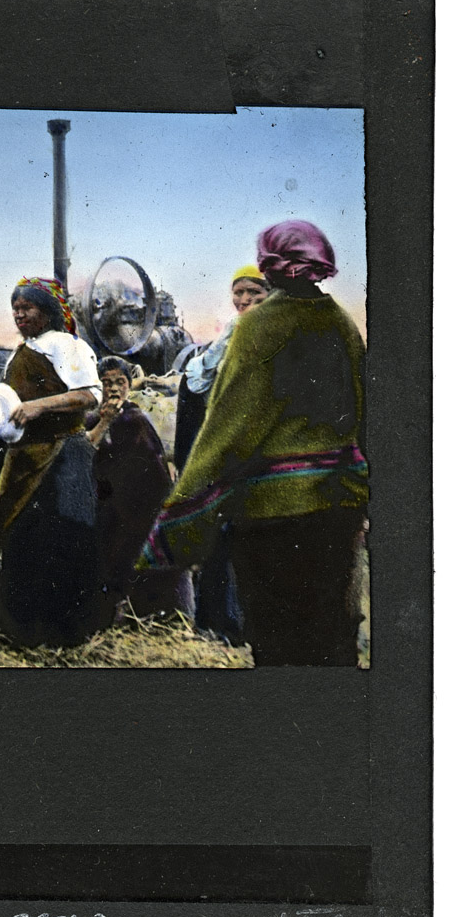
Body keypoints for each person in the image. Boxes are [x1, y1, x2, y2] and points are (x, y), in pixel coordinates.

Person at [141, 221, 368, 666]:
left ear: (269, 266)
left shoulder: (260, 327)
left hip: (275, 519)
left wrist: (179, 520)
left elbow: (229, 429)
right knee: (331, 637)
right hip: (339, 510)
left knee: (279, 641)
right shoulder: (341, 323)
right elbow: (362, 412)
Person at [0, 277, 102, 646]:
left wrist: (38, 407)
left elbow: (89, 396)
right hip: (25, 455)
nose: (19, 315)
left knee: (61, 538)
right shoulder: (20, 352)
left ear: (47, 312)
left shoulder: (67, 346)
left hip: (62, 456)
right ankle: (23, 629)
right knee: (22, 538)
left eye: (27, 308)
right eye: (15, 309)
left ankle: (62, 632)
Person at [172, 264, 271, 643]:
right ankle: (213, 624)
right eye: (239, 293)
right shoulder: (230, 334)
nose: (244, 300)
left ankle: (244, 626)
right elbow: (198, 381)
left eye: (254, 293)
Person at [88, 356, 192, 625]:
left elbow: (154, 465)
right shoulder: (91, 419)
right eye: (107, 383)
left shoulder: (137, 418)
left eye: (120, 382)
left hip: (140, 507)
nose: (114, 388)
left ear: (129, 384)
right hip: (108, 505)